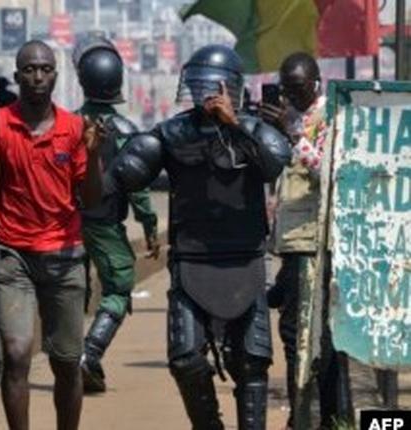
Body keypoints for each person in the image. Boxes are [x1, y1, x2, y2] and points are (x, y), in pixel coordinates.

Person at [109, 45, 291, 429]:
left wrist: (234, 124)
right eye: (199, 86)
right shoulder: (174, 132)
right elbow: (129, 171)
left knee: (252, 363)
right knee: (185, 359)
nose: (206, 94)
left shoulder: (255, 131)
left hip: (246, 260)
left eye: (215, 88)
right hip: (192, 262)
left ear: (233, 89)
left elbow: (276, 163)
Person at [0, 40, 103, 430]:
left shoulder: (72, 128)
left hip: (64, 256)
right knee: (16, 354)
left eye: (45, 69)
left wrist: (94, 154)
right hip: (12, 255)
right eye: (30, 70)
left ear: (55, 74)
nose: (37, 77)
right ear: (17, 76)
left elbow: (91, 197)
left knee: (67, 362)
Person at [261, 52, 353, 430]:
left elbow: (328, 169)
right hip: (292, 240)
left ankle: (315, 415)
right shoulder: (287, 115)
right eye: (287, 89)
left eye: (298, 89)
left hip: (317, 240)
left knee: (305, 334)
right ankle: (326, 414)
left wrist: (293, 132)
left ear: (315, 82)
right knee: (307, 333)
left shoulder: (330, 117)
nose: (292, 96)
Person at [71, 36, 159, 393]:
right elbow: (138, 187)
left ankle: (70, 357)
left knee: (71, 293)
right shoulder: (126, 132)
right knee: (120, 290)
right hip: (106, 223)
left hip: (69, 224)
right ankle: (90, 353)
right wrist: (150, 227)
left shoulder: (68, 126)